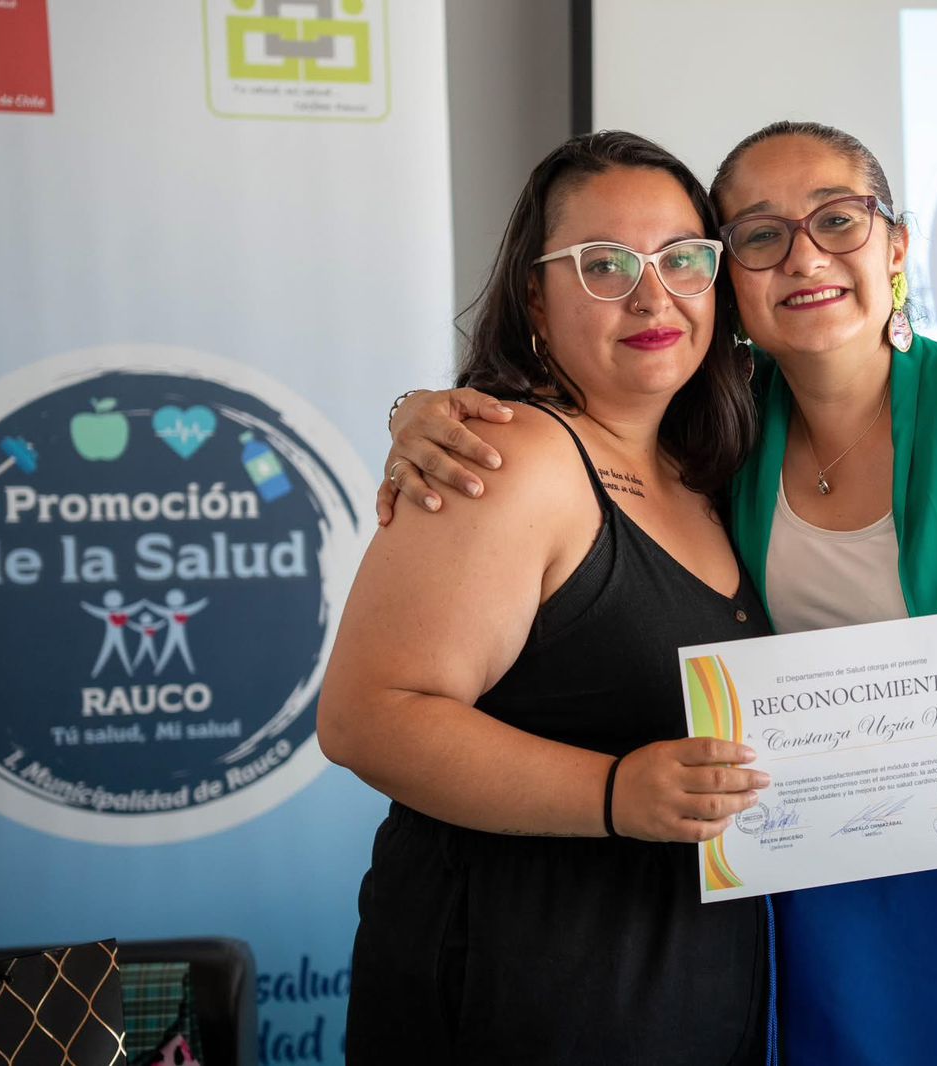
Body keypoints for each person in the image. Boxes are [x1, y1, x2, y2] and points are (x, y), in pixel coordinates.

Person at [382, 121, 937, 1064]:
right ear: (730, 283)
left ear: (896, 248)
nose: (804, 257)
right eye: (759, 235)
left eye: (838, 220)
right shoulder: (718, 430)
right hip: (826, 905)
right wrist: (420, 413)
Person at [317, 131, 776, 1063]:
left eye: (683, 259)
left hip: (683, 990)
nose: (653, 296)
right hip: (518, 990)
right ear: (534, 296)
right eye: (603, 265)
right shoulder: (510, 457)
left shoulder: (711, 470)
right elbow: (367, 717)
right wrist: (613, 791)